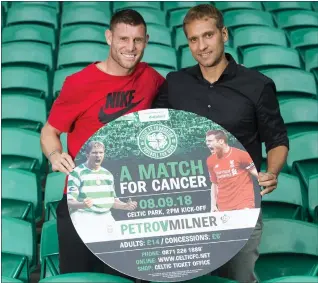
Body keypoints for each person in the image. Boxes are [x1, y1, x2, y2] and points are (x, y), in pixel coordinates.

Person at [152, 4, 289, 283]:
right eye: (193, 39)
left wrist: (272, 172)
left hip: (240, 206)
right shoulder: (175, 83)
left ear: (223, 34)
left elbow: (277, 140)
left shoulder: (257, 85)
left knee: (237, 280)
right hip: (186, 208)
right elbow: (156, 134)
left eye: (208, 35)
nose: (201, 46)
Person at [40, 9, 165, 276]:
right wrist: (54, 154)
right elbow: (49, 131)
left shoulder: (151, 79)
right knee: (81, 279)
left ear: (146, 41)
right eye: (123, 39)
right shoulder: (79, 84)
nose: (130, 48)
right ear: (109, 37)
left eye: (138, 40)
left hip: (131, 201)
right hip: (81, 201)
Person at [67, 141, 137, 243]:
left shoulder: (107, 174)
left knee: (116, 248)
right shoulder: (77, 173)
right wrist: (83, 204)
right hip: (84, 217)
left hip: (106, 218)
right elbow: (70, 202)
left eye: (101, 153)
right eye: (94, 153)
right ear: (87, 155)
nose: (98, 156)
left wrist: (125, 206)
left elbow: (112, 201)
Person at [205, 130, 258, 212]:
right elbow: (214, 184)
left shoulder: (241, 155)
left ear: (221, 141)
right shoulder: (210, 160)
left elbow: (257, 174)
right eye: (206, 141)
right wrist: (213, 205)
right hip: (224, 206)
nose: (207, 143)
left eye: (210, 141)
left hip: (244, 203)